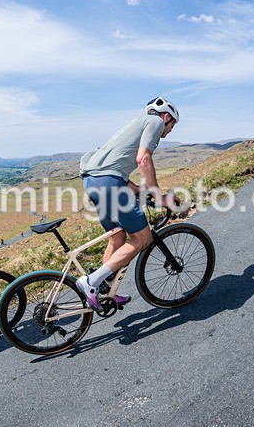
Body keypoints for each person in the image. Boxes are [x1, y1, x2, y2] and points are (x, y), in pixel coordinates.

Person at [77, 96, 180, 311]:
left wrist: (139, 190)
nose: (169, 130)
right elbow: (143, 159)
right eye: (172, 126)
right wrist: (159, 196)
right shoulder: (155, 121)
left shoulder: (132, 125)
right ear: (167, 117)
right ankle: (91, 282)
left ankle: (103, 290)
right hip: (109, 184)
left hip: (92, 182)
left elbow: (116, 169)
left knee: (117, 236)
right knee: (142, 238)